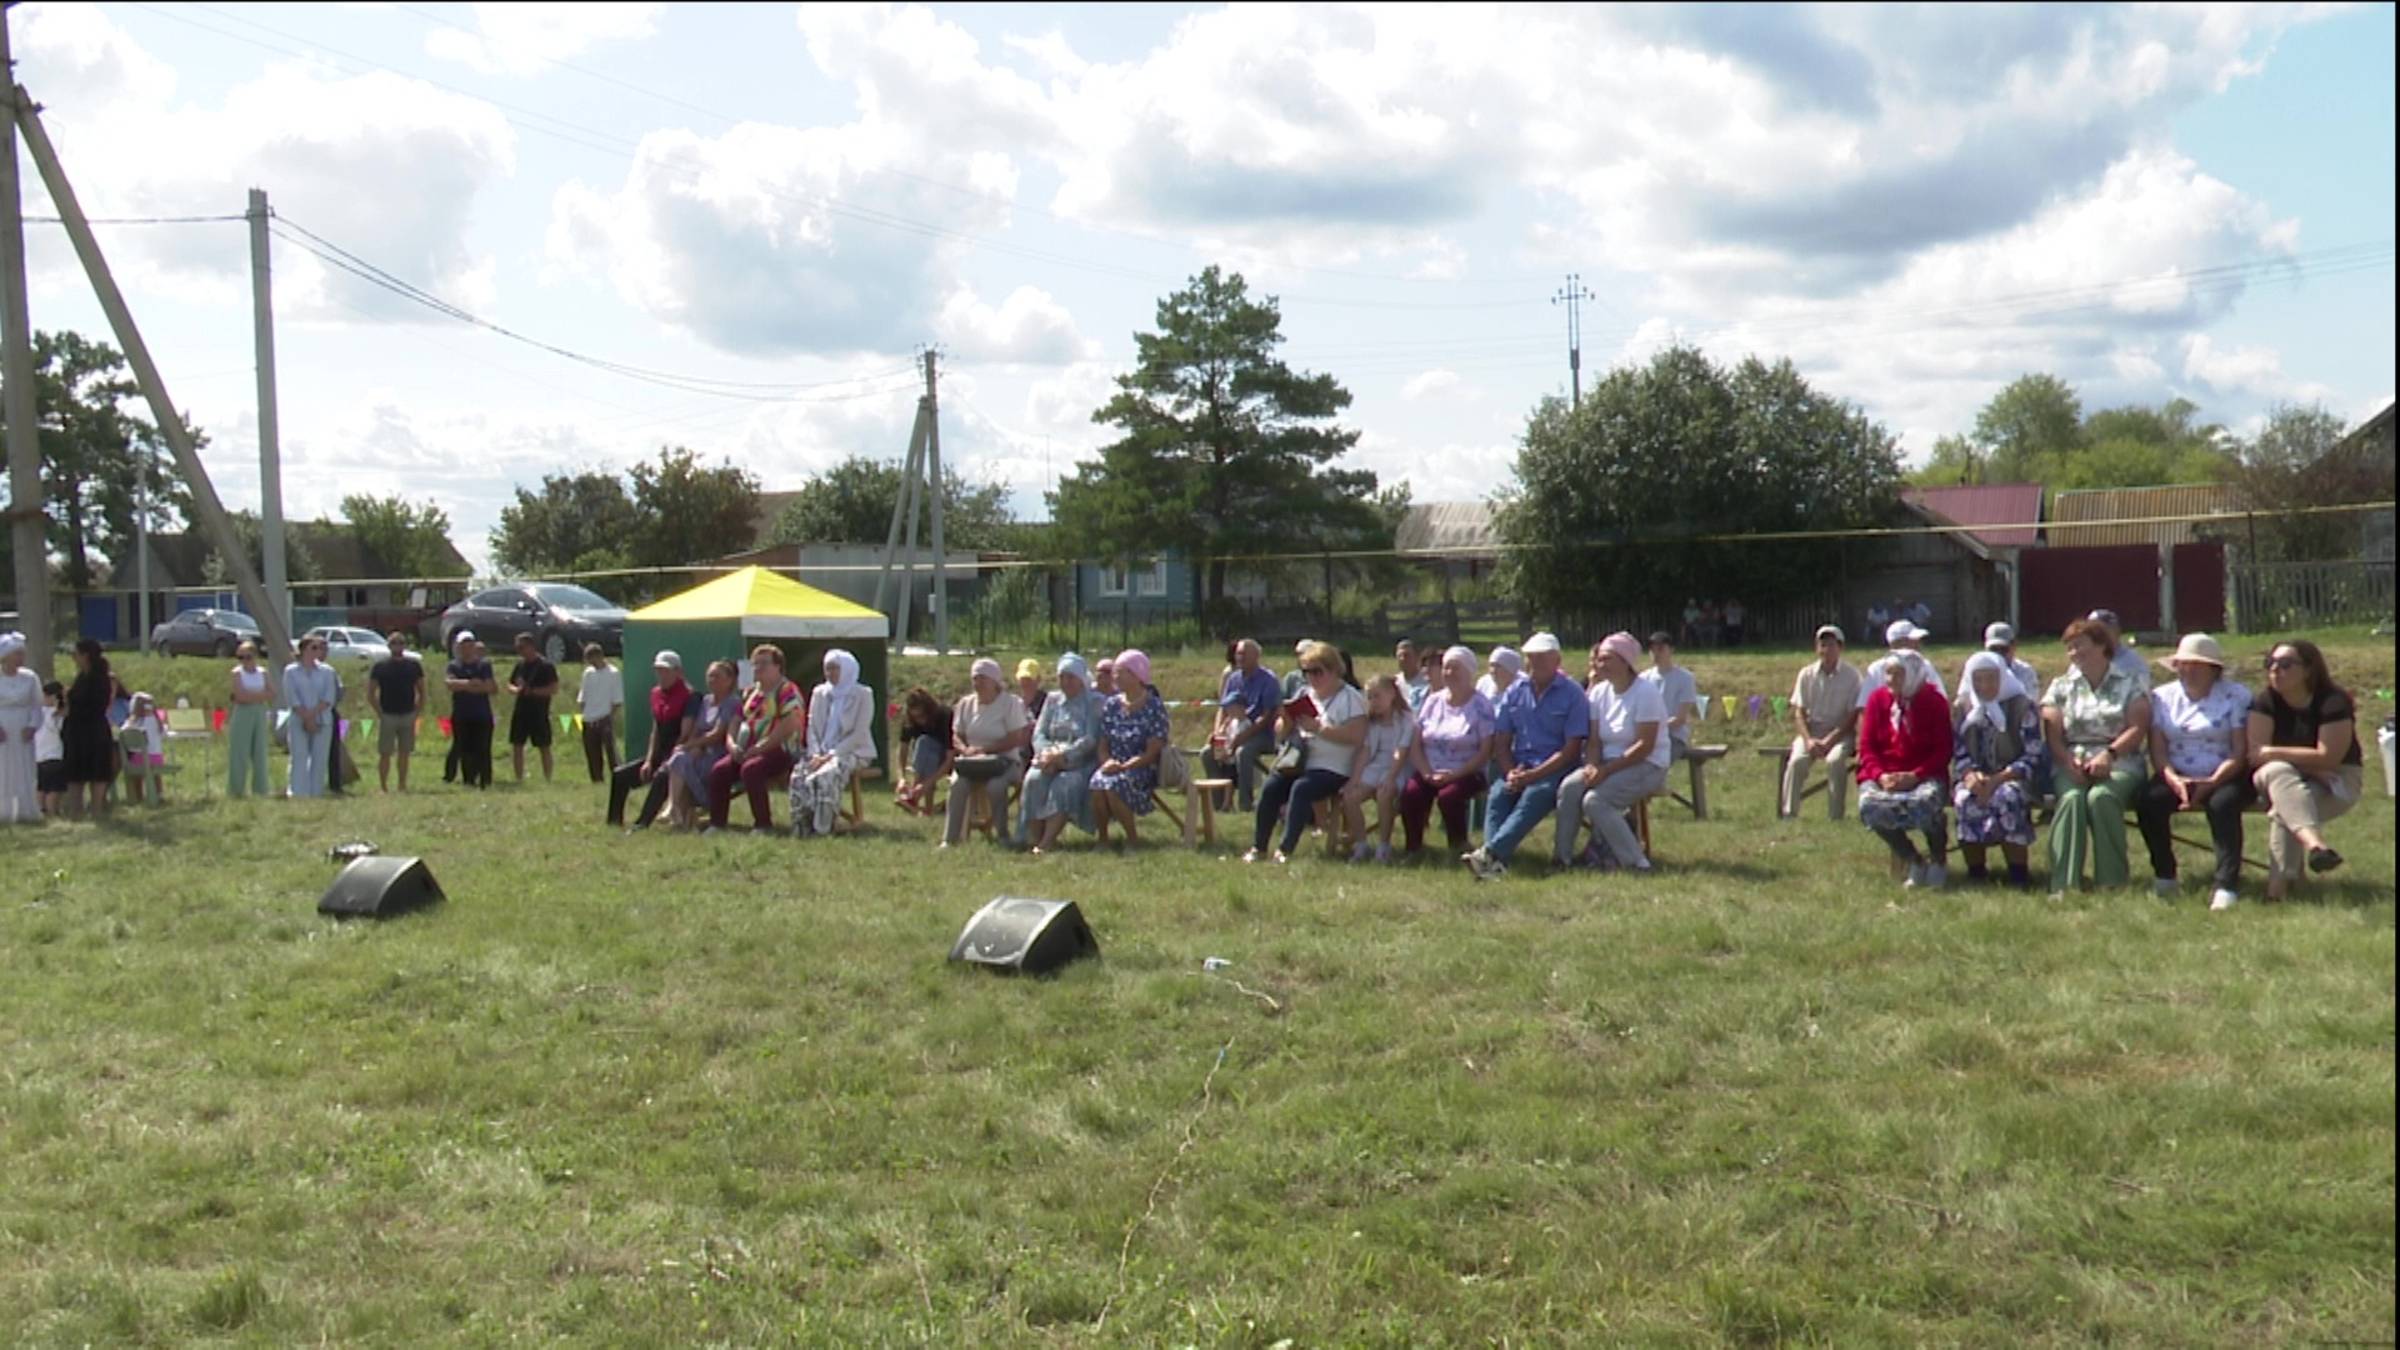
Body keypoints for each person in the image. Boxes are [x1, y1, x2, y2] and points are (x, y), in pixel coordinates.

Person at [2135, 634, 2251, 910]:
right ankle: (2165, 874)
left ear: (2214, 669)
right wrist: (2175, 781)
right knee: (2149, 801)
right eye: (2182, 665)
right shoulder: (2162, 698)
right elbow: (2158, 750)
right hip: (2177, 773)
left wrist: (2211, 782)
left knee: (2223, 804)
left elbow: (2239, 751)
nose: (2188, 670)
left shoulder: (2237, 696)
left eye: (2196, 665)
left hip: (2225, 772)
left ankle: (2226, 884)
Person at [1462, 633, 1588, 881]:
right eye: (1530, 659)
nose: (1535, 665)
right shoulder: (1516, 691)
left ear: (1557, 661)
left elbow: (1571, 748)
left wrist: (1533, 775)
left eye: (1542, 659)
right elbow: (1502, 740)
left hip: (1557, 768)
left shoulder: (1572, 694)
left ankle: (1490, 853)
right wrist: (1510, 772)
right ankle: (1493, 862)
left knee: (1536, 794)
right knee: (1498, 794)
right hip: (1521, 765)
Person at [2041, 617, 2152, 893]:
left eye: (2080, 645)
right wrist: (2068, 761)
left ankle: (2111, 881)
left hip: (2120, 759)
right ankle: (2064, 884)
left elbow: (2139, 727)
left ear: (2102, 645)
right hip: (2071, 761)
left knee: (2101, 797)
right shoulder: (2061, 686)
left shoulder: (2130, 683)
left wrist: (2109, 755)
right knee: (2071, 798)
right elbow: (2052, 732)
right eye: (2070, 647)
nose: (2074, 653)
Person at [2247, 640, 2363, 902]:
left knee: (2283, 808)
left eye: (2286, 664)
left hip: (2337, 780)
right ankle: (2316, 845)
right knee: (2277, 771)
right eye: (2271, 663)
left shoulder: (2333, 701)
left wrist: (2278, 754)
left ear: (2309, 670)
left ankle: (2278, 891)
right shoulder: (2265, 701)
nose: (2276, 670)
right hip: (2274, 777)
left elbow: (2330, 758)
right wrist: (2309, 766)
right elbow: (2257, 756)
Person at [1246, 640, 1367, 864]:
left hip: (1334, 768)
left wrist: (1320, 729)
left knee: (1302, 789)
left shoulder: (1351, 699)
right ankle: (1258, 847)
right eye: (1307, 672)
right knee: (1271, 787)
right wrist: (1285, 721)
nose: (1312, 678)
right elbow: (1280, 733)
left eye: (1317, 672)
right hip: (1299, 761)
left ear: (1333, 670)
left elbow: (1356, 737)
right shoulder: (1304, 693)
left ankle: (1285, 849)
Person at [1558, 632, 1670, 873]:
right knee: (1570, 787)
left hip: (1648, 764)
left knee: (1596, 800)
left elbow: (1645, 745)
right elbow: (1595, 740)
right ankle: (1561, 859)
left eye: (1607, 659)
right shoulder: (1599, 693)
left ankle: (1637, 862)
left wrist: (1606, 770)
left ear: (1625, 661)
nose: (1600, 664)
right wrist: (1591, 765)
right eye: (1599, 659)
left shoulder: (1646, 692)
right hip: (1607, 763)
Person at [1858, 650, 1954, 889]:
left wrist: (1915, 776)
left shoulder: (1935, 702)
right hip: (1886, 775)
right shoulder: (1877, 700)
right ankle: (1913, 859)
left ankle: (1938, 859)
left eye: (1898, 674)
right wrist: (1881, 776)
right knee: (1869, 805)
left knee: (1926, 802)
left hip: (1924, 774)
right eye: (1887, 673)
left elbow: (1943, 751)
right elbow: (1867, 746)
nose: (1890, 680)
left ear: (1912, 674)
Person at [1952, 651, 2043, 889]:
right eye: (1978, 679)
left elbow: (2032, 755)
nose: (1985, 685)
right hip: (1977, 777)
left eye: (1991, 678)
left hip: (2015, 775)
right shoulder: (1963, 708)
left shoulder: (2023, 706)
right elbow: (1959, 752)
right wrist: (1970, 775)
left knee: (2007, 797)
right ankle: (1976, 873)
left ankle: (2018, 874)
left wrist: (1997, 779)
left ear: (2002, 677)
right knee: (1965, 798)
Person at [1399, 646, 1496, 857]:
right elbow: (1416, 742)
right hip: (1431, 768)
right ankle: (1413, 848)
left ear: (1469, 671)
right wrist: (1426, 773)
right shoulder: (1433, 701)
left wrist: (1455, 775)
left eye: (1456, 668)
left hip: (1468, 770)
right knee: (1411, 793)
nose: (1449, 673)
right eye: (1446, 668)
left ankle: (1458, 845)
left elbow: (1485, 751)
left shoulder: (1481, 705)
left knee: (1449, 796)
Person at [707, 644, 806, 832]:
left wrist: (760, 748)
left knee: (752, 769)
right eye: (755, 664)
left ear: (778, 666)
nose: (758, 668)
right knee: (719, 771)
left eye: (764, 663)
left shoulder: (787, 690)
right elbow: (735, 721)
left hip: (781, 751)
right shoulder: (750, 692)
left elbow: (790, 724)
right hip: (748, 749)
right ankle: (717, 824)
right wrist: (732, 744)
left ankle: (763, 824)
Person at [1021, 653, 1105, 853]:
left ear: (1081, 678)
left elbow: (1091, 738)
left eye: (1070, 677)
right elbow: (1039, 733)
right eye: (1062, 677)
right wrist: (1046, 754)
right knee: (1033, 780)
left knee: (1066, 784)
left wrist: (1063, 756)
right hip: (1048, 758)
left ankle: (1047, 841)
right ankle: (1036, 837)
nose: (1065, 682)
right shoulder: (1052, 700)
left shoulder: (1094, 701)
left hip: (1080, 761)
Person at [943, 657, 1031, 848]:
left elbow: (1015, 738)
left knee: (996, 786)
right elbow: (956, 735)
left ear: (995, 681)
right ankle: (950, 838)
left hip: (1005, 762)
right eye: (975, 678)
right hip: (972, 762)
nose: (978, 683)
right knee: (958, 783)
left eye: (983, 678)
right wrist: (966, 750)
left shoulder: (1010, 703)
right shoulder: (966, 704)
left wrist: (985, 750)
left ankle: (1002, 835)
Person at [1090, 649, 1172, 848]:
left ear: (1137, 676)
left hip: (1142, 767)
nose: (1115, 677)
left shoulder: (1154, 706)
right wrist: (1107, 761)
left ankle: (1132, 838)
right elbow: (1103, 743)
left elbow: (1153, 749)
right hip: (1113, 764)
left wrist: (1126, 766)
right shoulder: (1111, 705)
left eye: (1121, 672)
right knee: (1097, 784)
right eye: (1115, 672)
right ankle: (1103, 838)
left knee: (1114, 785)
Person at [792, 649, 877, 838]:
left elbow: (860, 732)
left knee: (828, 774)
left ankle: (823, 827)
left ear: (846, 669)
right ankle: (802, 825)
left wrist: (831, 755)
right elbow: (812, 726)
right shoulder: (820, 693)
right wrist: (816, 754)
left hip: (852, 751)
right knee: (799, 774)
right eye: (827, 669)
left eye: (834, 668)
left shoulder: (863, 694)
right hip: (820, 752)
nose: (830, 673)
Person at [1782, 625, 1863, 820]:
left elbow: (1852, 715)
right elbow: (1799, 713)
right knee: (1797, 761)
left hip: (1841, 732)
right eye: (1822, 644)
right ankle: (1788, 814)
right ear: (1816, 648)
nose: (1826, 650)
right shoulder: (1806, 674)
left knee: (1835, 761)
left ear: (1840, 648)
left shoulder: (1852, 676)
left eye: (1831, 645)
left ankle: (1835, 816)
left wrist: (1831, 740)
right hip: (1812, 730)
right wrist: (1809, 740)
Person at [609, 650, 692, 830]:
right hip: (659, 753)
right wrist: (648, 760)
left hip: (679, 755)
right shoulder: (655, 694)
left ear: (678, 672)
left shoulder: (690, 696)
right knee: (620, 775)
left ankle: (642, 823)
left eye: (666, 671)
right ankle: (614, 822)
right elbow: (655, 730)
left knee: (662, 777)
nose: (661, 675)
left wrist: (669, 761)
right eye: (659, 671)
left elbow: (686, 733)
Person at [1337, 673, 1414, 863]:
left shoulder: (1406, 719)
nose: (1373, 701)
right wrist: (1354, 780)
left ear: (1391, 694)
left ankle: (1383, 846)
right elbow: (1366, 752)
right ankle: (1361, 844)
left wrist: (1390, 778)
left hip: (1398, 767)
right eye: (1370, 697)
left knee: (1384, 794)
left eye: (1377, 696)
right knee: (1350, 796)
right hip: (1376, 765)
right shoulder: (1371, 722)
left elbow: (1401, 751)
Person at [1203, 638, 1281, 812]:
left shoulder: (1269, 680)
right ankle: (1219, 801)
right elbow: (1223, 709)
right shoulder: (1233, 678)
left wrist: (1241, 738)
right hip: (1233, 729)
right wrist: (1218, 733)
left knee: (1243, 752)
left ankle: (1245, 802)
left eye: (1244, 654)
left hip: (1262, 733)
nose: (1239, 657)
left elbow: (1267, 717)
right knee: (1208, 753)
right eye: (1238, 653)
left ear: (1256, 656)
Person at [667, 659, 740, 829]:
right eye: (709, 676)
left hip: (718, 753)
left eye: (716, 676)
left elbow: (717, 734)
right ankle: (676, 809)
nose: (711, 680)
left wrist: (690, 746)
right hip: (700, 749)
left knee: (682, 760)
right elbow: (697, 729)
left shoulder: (732, 703)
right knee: (680, 758)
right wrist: (693, 745)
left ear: (729, 680)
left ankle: (680, 808)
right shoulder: (706, 701)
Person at [61, 639, 115, 818]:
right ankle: (76, 809)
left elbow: (97, 704)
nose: (73, 658)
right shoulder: (81, 677)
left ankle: (97, 808)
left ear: (85, 656)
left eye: (75, 654)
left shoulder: (101, 678)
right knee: (75, 771)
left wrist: (71, 703)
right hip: (76, 730)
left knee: (97, 770)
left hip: (93, 729)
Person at [368, 632, 426, 793]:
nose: (397, 646)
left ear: (404, 646)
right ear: (389, 646)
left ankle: (402, 784)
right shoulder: (380, 667)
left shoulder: (413, 666)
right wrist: (380, 712)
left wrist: (417, 711)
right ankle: (383, 786)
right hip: (388, 714)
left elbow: (421, 691)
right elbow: (371, 693)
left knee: (404, 752)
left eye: (400, 643)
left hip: (408, 714)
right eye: (394, 643)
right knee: (385, 752)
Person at [281, 636, 339, 798]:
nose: (318, 651)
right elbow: (291, 696)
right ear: (303, 650)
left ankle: (316, 792)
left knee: (319, 757)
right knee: (299, 756)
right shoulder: (291, 671)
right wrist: (306, 717)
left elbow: (329, 698)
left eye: (319, 648)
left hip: (322, 719)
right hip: (298, 718)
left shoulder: (328, 671)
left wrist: (313, 716)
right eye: (313, 648)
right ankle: (298, 792)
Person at [218, 640, 272, 798]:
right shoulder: (236, 673)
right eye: (240, 657)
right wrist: (259, 696)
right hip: (242, 713)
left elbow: (272, 693)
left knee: (260, 751)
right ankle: (236, 790)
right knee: (239, 752)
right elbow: (240, 696)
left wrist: (252, 697)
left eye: (247, 657)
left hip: (260, 712)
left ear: (255, 656)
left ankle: (261, 790)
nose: (244, 661)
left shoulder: (263, 673)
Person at [445, 633, 499, 789]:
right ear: (458, 647)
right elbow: (450, 684)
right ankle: (468, 780)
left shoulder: (484, 665)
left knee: (483, 748)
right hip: (461, 713)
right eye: (463, 645)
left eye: (470, 644)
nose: (467, 648)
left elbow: (491, 687)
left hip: (482, 714)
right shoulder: (454, 666)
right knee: (464, 748)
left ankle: (485, 780)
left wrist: (471, 687)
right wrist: (470, 684)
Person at [1640, 631, 1702, 763]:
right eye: (1652, 650)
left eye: (1660, 649)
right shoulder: (1643, 679)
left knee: (1654, 763)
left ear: (1671, 650)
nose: (1655, 654)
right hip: (1647, 737)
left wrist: (1653, 728)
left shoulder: (1685, 678)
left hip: (1673, 737)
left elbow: (1680, 719)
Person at [507, 632, 560, 783]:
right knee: (517, 745)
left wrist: (534, 692)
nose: (520, 651)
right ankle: (519, 777)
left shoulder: (546, 666)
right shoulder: (520, 665)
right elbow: (510, 684)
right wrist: (516, 690)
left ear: (531, 646)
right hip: (521, 710)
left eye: (522, 647)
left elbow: (554, 688)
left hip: (539, 711)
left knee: (544, 746)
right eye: (517, 648)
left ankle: (548, 777)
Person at [892, 688, 954, 816]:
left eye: (922, 716)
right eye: (915, 717)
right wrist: (901, 778)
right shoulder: (909, 721)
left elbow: (950, 758)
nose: (920, 721)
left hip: (952, 758)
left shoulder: (945, 716)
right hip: (928, 758)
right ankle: (921, 802)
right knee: (925, 748)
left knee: (925, 743)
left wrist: (926, 784)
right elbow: (902, 749)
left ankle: (914, 798)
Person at [0, 632, 37, 823]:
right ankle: (3, 811)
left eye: (22, 654)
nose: (20, 658)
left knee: (24, 767)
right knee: (3, 767)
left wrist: (32, 726)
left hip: (22, 725)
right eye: (17, 654)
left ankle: (26, 809)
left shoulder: (30, 678)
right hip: (3, 724)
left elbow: (36, 705)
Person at [577, 644, 624, 784]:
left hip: (604, 717)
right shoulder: (588, 673)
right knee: (592, 754)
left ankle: (618, 779)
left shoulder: (613, 673)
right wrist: (584, 713)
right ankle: (597, 780)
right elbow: (583, 697)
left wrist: (609, 716)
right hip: (588, 718)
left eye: (592, 659)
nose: (591, 663)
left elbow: (617, 700)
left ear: (599, 656)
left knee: (611, 753)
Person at [117, 691, 165, 805]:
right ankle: (159, 794)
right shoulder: (154, 720)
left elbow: (122, 733)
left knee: (137, 772)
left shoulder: (130, 722)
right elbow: (162, 733)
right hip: (155, 759)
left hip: (136, 759)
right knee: (156, 773)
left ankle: (138, 796)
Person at [2087, 608, 2152, 686]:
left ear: (2116, 630)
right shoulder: (2085, 660)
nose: (2097, 635)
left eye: (2102, 630)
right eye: (2091, 632)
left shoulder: (2131, 662)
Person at [35, 681, 66, 817]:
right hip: (54, 756)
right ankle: (52, 813)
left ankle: (41, 811)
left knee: (41, 788)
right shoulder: (56, 714)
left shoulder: (37, 713)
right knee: (54, 789)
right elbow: (59, 729)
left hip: (39, 757)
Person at [1395, 639, 1430, 710]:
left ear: (1417, 657)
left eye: (1406, 655)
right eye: (1399, 656)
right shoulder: (1394, 683)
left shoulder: (1428, 681)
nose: (1402, 659)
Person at [1015, 658, 1049, 724]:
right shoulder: (1015, 703)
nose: (1025, 682)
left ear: (1038, 679)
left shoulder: (1048, 702)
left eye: (1029, 679)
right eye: (1023, 679)